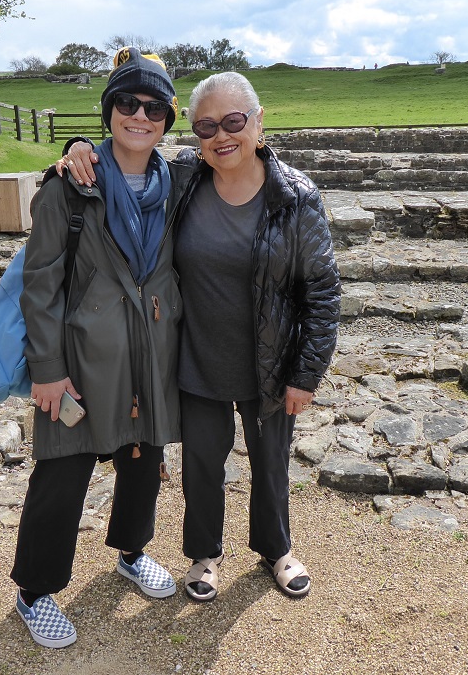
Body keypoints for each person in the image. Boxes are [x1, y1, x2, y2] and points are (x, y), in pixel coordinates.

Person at [61, 71, 340, 603]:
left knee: (271, 465)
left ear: (258, 121)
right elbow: (127, 156)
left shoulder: (296, 195)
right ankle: (204, 555)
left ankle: (276, 549)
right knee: (202, 469)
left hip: (269, 363)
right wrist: (79, 148)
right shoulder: (185, 177)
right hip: (198, 360)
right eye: (206, 126)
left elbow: (322, 292)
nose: (221, 136)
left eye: (233, 121)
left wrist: (306, 374)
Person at [11, 48, 191, 649]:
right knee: (62, 472)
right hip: (81, 356)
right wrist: (47, 369)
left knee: (143, 461)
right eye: (127, 103)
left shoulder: (179, 184)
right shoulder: (68, 187)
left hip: (151, 351)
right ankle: (35, 590)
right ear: (109, 109)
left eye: (154, 107)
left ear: (168, 119)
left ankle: (131, 552)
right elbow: (40, 285)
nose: (140, 116)